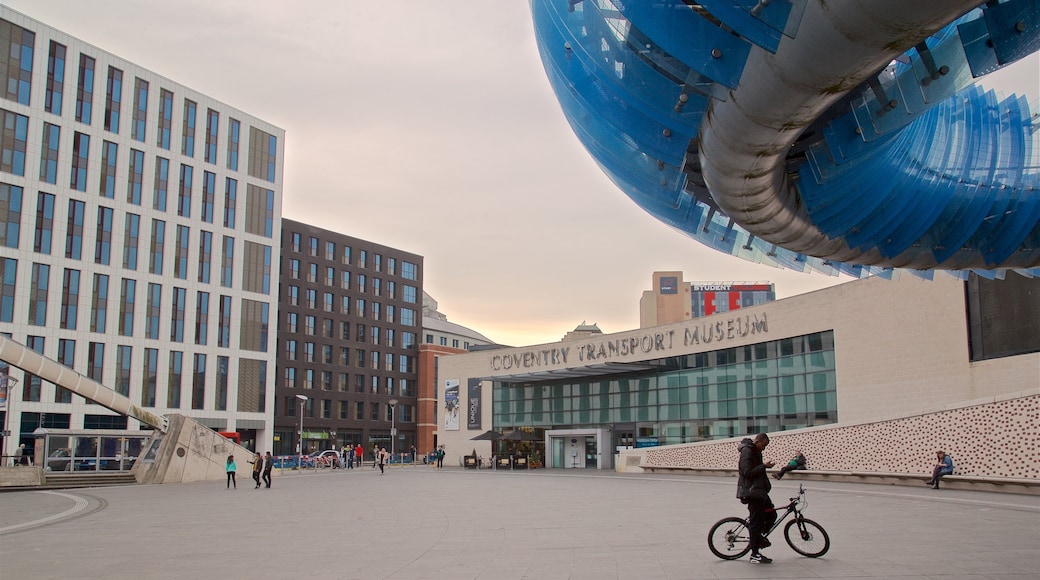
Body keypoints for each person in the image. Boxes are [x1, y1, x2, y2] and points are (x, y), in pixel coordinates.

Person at [736, 433, 776, 564]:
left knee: (771, 515)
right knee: (756, 522)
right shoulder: (747, 451)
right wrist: (764, 466)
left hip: (760, 491)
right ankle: (754, 554)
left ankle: (759, 538)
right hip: (752, 492)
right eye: (763, 446)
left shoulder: (755, 450)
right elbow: (746, 472)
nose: (764, 449)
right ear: (757, 441)